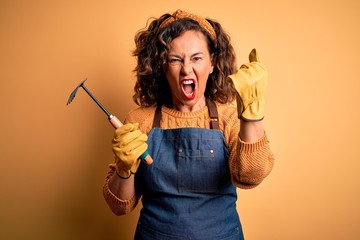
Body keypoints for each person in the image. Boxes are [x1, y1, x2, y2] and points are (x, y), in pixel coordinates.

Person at [103, 9, 274, 240]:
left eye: (196, 58)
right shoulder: (139, 121)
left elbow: (250, 176)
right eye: (175, 59)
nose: (186, 69)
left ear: (212, 63)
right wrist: (123, 170)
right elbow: (120, 207)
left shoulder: (229, 118)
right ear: (163, 66)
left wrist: (252, 116)